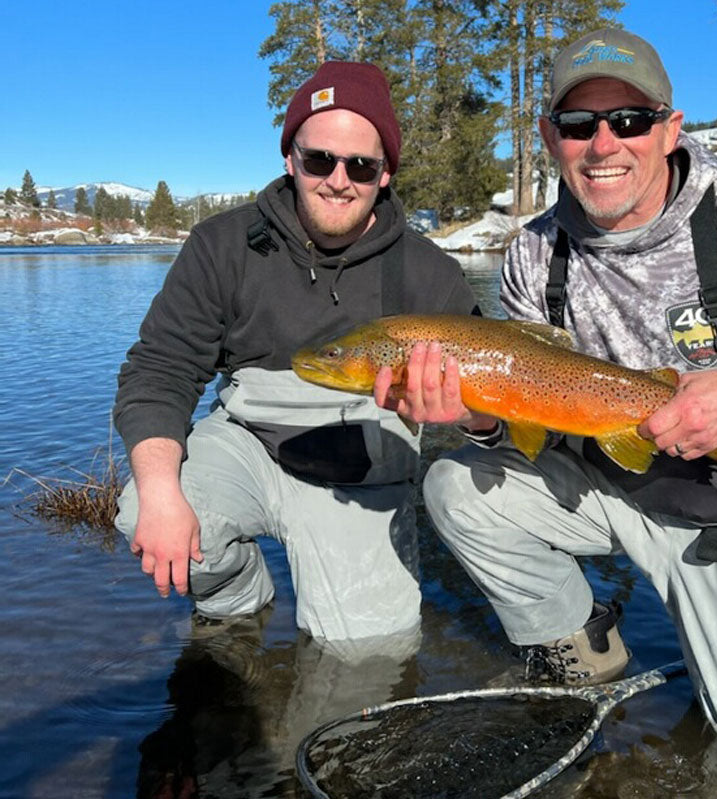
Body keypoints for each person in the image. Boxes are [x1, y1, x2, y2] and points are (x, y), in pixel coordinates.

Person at [377, 28, 717, 782]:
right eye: (577, 124)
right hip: (618, 486)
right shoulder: (534, 253)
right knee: (457, 487)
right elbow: (526, 423)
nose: (604, 145)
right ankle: (587, 649)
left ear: (669, 128)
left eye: (628, 121)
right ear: (550, 137)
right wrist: (474, 415)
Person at [114, 61, 479, 646]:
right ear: (290, 158)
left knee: (369, 653)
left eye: (361, 165)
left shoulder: (429, 273)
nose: (339, 179)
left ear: (384, 175)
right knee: (143, 507)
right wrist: (160, 492)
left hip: (363, 469)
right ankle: (237, 604)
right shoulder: (222, 245)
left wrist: (466, 416)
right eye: (319, 160)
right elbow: (162, 369)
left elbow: (489, 404)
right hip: (247, 449)